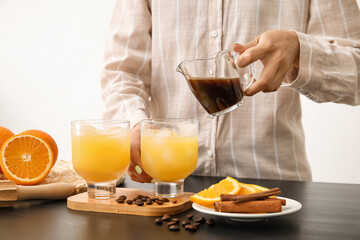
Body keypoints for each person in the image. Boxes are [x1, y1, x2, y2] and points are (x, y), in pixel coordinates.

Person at [101, 0, 360, 183]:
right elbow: (123, 70)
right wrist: (135, 123)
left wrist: (299, 50)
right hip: (167, 186)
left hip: (273, 189)